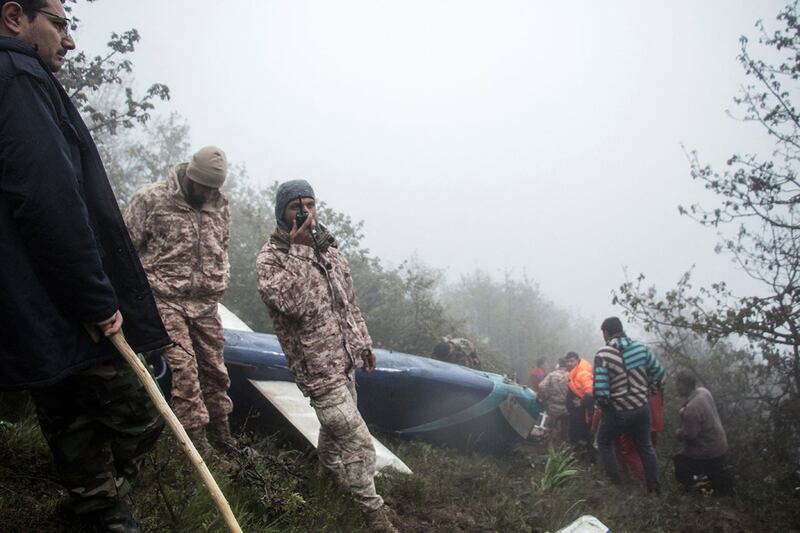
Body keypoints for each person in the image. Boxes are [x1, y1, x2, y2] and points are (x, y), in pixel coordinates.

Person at [0, 1, 171, 529]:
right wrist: (95, 299)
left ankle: (94, 506)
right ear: (14, 17)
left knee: (67, 400)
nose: (69, 40)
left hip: (33, 296)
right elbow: (49, 198)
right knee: (138, 405)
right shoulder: (19, 76)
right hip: (57, 295)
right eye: (59, 23)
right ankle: (95, 503)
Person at [256, 180, 398, 533]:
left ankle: (327, 478)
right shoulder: (271, 259)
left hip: (344, 359)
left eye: (310, 204)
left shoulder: (331, 251)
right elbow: (292, 305)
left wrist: (362, 344)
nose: (305, 212)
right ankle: (375, 518)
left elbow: (347, 303)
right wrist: (300, 250)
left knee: (335, 433)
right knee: (359, 443)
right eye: (295, 207)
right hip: (317, 370)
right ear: (282, 212)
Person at [124, 146, 240, 454]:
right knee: (184, 370)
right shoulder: (152, 200)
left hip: (205, 305)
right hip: (164, 300)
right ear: (190, 175)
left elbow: (223, 246)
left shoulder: (219, 206)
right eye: (203, 185)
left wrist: (221, 278)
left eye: (214, 188)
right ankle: (197, 449)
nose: (207, 193)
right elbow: (124, 249)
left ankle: (223, 438)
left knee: (215, 372)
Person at [593, 317, 664, 494]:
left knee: (603, 441)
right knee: (645, 447)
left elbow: (601, 391)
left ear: (606, 333)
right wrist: (648, 392)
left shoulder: (603, 354)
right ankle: (654, 489)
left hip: (619, 411)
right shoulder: (641, 349)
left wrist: (606, 410)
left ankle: (617, 485)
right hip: (642, 408)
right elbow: (659, 374)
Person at [674, 370, 733, 495]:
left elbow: (690, 435)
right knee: (717, 475)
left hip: (708, 450)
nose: (677, 387)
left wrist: (679, 433)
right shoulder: (703, 391)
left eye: (678, 384)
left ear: (685, 385)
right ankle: (717, 488)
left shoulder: (692, 408)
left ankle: (694, 491)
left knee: (680, 461)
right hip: (721, 444)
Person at [564, 351, 594, 459]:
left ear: (577, 361)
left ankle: (588, 459)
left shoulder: (582, 373)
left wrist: (582, 403)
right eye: (567, 361)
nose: (569, 363)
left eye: (572, 361)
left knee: (583, 435)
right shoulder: (573, 373)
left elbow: (590, 392)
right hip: (575, 412)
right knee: (577, 434)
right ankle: (580, 457)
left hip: (582, 412)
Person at [536, 358, 569, 439]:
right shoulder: (571, 375)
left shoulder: (552, 375)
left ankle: (548, 445)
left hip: (553, 406)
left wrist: (546, 397)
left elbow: (541, 386)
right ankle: (562, 446)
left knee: (550, 427)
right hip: (566, 407)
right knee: (564, 429)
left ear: (558, 365)